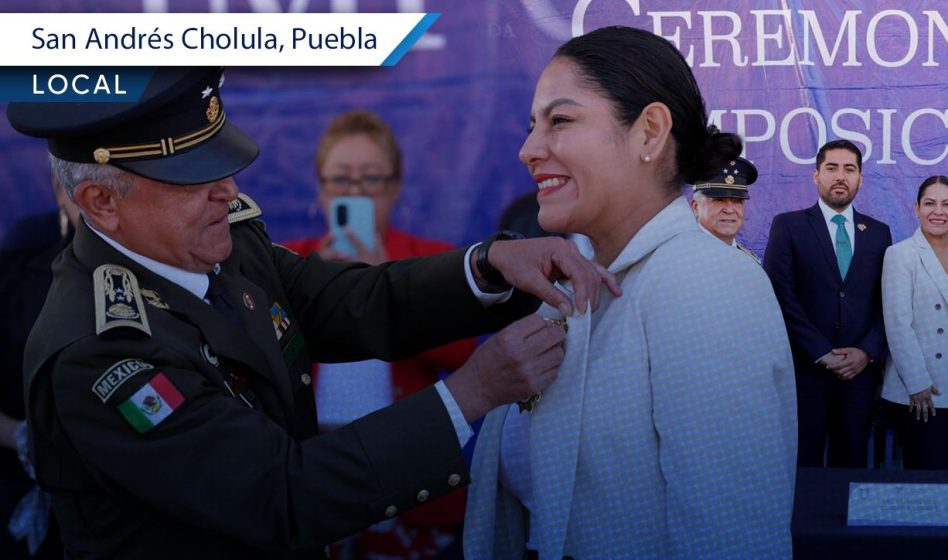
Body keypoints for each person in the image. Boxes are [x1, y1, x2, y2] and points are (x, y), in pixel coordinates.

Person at [6, 67, 619, 560]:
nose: (229, 190)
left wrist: (490, 266)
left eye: (221, 161)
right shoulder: (98, 350)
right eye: (191, 177)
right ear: (101, 203)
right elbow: (280, 494)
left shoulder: (226, 241)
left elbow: (354, 300)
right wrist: (470, 394)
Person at [462, 26, 797, 559]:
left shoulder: (704, 282)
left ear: (649, 132)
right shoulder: (579, 288)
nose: (528, 150)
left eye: (561, 120)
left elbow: (731, 539)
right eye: (532, 127)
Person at [281, 110, 476, 559]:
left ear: (394, 187)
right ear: (320, 189)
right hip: (317, 471)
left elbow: (463, 351)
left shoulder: (429, 261)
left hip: (409, 475)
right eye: (341, 180)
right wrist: (322, 290)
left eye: (371, 179)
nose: (355, 192)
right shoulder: (292, 265)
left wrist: (382, 283)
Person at [763, 138, 892, 469]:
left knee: (850, 467)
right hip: (806, 374)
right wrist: (820, 351)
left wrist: (866, 351)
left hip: (859, 377)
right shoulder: (788, 225)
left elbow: (888, 302)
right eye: (831, 168)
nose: (840, 176)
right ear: (815, 175)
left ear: (860, 178)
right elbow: (780, 295)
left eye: (849, 169)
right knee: (801, 468)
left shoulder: (879, 233)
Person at [880, 176, 948, 470]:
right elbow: (898, 324)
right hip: (925, 379)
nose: (938, 211)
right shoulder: (900, 254)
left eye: (947, 204)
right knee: (930, 463)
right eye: (930, 203)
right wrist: (916, 382)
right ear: (916, 208)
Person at [0, 179, 74, 560]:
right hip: (25, 485)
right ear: (61, 191)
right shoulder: (13, 272)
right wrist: (25, 439)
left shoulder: (179, 273)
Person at [689, 156, 761, 264]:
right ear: (696, 207)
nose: (729, 210)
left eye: (737, 201)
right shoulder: (678, 258)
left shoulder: (750, 262)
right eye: (719, 200)